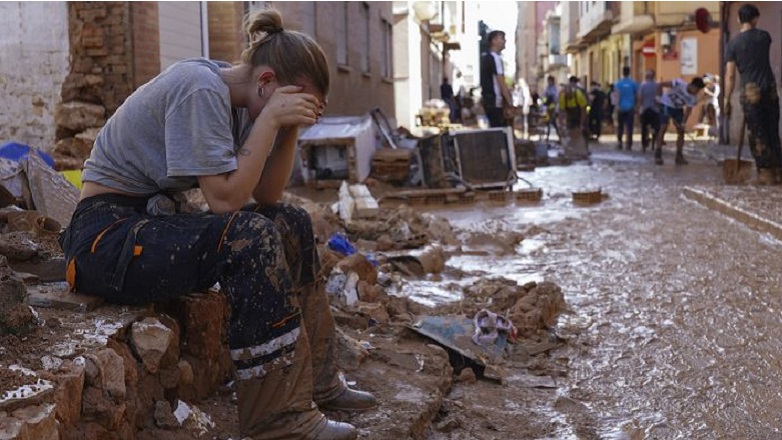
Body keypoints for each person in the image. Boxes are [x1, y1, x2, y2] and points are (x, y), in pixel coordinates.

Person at [57, 8, 375, 440]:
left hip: (149, 221)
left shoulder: (246, 102)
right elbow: (225, 200)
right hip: (104, 238)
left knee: (290, 222)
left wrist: (288, 128)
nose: (291, 110)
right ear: (265, 81)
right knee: (249, 238)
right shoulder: (200, 89)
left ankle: (319, 382)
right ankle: (278, 420)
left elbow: (266, 195)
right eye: (292, 100)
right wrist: (269, 119)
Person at [724, 3, 782, 184]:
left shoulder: (733, 44)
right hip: (770, 90)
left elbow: (730, 75)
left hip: (750, 92)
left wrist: (727, 99)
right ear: (756, 18)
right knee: (772, 131)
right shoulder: (765, 37)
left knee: (757, 133)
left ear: (738, 19)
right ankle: (779, 172)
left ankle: (765, 174)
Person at [653, 77, 706, 165]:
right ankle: (658, 153)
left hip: (678, 109)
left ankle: (679, 156)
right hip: (666, 104)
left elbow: (688, 110)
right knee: (663, 127)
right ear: (692, 86)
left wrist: (683, 123)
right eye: (697, 89)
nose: (697, 92)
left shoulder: (693, 98)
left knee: (681, 131)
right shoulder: (678, 83)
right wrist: (658, 97)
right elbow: (661, 85)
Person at [480, 30, 512, 128]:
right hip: (495, 101)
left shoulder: (485, 57)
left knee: (494, 129)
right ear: (494, 41)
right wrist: (509, 101)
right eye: (502, 38)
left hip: (487, 100)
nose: (504, 41)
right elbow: (501, 81)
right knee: (500, 130)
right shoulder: (495, 58)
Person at [559, 76, 589, 159]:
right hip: (571, 115)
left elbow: (583, 110)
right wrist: (561, 125)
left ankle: (584, 151)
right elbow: (561, 112)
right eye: (567, 96)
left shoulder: (578, 95)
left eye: (570, 96)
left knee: (583, 132)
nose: (568, 97)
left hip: (580, 113)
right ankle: (572, 151)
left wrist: (581, 124)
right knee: (570, 131)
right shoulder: (563, 97)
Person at [613, 66, 639, 150]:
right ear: (629, 72)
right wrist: (636, 106)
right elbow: (636, 95)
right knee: (629, 126)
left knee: (620, 126)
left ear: (622, 72)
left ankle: (620, 142)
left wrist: (616, 107)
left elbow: (616, 96)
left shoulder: (618, 83)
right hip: (630, 107)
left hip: (621, 107)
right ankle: (629, 144)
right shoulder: (633, 83)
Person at [638, 69, 661, 152]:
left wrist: (639, 108)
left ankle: (644, 145)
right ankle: (654, 144)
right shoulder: (657, 85)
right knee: (655, 127)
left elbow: (640, 98)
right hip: (655, 110)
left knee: (644, 127)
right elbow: (660, 96)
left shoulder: (643, 85)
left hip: (645, 109)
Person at [701, 74, 720, 139]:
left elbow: (715, 95)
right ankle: (711, 134)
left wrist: (707, 92)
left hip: (714, 104)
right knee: (709, 119)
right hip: (708, 104)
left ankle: (717, 134)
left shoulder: (716, 86)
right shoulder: (709, 86)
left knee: (715, 119)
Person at [543, 75, 560, 141]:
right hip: (548, 107)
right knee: (549, 122)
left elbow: (556, 99)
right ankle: (548, 136)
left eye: (550, 81)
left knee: (553, 122)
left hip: (553, 108)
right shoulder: (548, 88)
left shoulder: (555, 88)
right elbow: (544, 96)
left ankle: (558, 136)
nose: (549, 82)